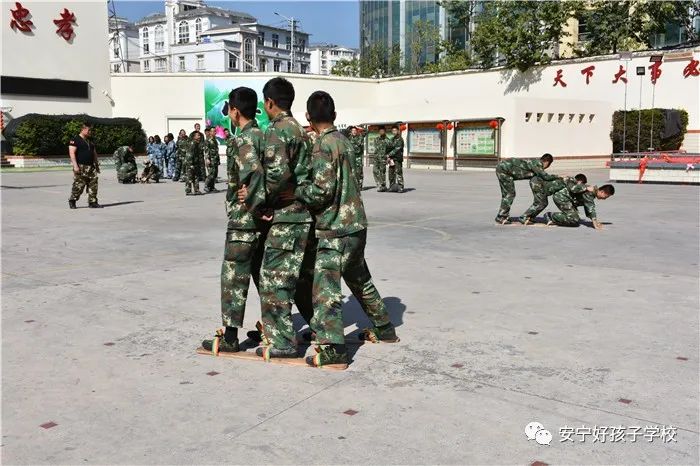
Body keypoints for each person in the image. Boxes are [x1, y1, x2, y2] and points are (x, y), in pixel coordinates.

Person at [296, 91, 399, 369]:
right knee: (359, 278)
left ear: (308, 117)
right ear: (334, 115)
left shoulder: (322, 145)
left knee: (325, 289)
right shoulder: (344, 140)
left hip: (335, 228)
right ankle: (384, 328)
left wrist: (297, 190)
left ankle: (334, 349)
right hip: (355, 224)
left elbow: (321, 191)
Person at [240, 77, 315, 360]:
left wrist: (254, 199)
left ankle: (283, 342)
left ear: (269, 102)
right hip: (301, 214)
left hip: (287, 216)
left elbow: (276, 175)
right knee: (298, 280)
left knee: (274, 280)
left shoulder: (278, 130)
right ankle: (317, 328)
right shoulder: (300, 130)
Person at [201, 87, 268, 354]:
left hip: (244, 220)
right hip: (263, 221)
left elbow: (254, 173)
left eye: (229, 109)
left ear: (235, 111)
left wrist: (252, 200)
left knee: (233, 277)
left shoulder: (243, 140)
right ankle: (275, 329)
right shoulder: (266, 136)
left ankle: (230, 337)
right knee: (263, 277)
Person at [495, 153, 559, 224]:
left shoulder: (535, 162)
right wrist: (558, 176)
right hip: (504, 170)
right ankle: (501, 216)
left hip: (504, 167)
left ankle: (502, 215)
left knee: (508, 194)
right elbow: (545, 176)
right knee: (509, 194)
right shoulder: (537, 164)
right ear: (547, 162)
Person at [519, 174, 588, 224]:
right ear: (580, 181)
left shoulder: (570, 180)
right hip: (538, 184)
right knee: (540, 203)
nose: (581, 186)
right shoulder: (571, 180)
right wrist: (586, 188)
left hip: (540, 184)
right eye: (582, 184)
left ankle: (530, 217)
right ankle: (524, 217)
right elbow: (573, 189)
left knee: (543, 203)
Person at [545, 184, 615, 229]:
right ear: (602, 192)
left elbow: (587, 206)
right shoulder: (590, 192)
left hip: (568, 200)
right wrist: (595, 223)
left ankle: (557, 217)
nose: (605, 199)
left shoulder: (592, 191)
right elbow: (590, 207)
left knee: (574, 220)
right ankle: (550, 216)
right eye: (606, 196)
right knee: (574, 219)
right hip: (562, 197)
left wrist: (595, 221)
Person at [68, 122, 102, 209]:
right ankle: (72, 200)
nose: (90, 132)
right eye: (89, 130)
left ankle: (92, 202)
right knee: (79, 185)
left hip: (91, 167)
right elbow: (72, 153)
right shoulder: (75, 140)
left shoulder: (90, 141)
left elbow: (94, 153)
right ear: (83, 129)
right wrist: (75, 166)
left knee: (93, 184)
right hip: (81, 166)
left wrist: (97, 165)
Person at [387, 124, 405, 193]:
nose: (394, 132)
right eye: (393, 131)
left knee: (398, 173)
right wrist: (388, 156)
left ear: (398, 131)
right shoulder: (392, 139)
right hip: (392, 159)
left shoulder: (400, 139)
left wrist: (389, 154)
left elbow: (397, 149)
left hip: (397, 159)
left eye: (395, 130)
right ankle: (392, 187)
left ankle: (401, 187)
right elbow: (388, 148)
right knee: (391, 173)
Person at [184, 131, 203, 195]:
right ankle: (188, 191)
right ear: (194, 137)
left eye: (199, 135)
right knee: (189, 177)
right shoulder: (192, 144)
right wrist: (190, 164)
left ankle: (196, 190)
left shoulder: (197, 143)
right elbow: (189, 154)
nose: (199, 137)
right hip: (191, 163)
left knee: (196, 177)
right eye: (198, 135)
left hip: (196, 163)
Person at [373, 126, 389, 192]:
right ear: (379, 132)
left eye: (382, 131)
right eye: (380, 131)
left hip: (383, 158)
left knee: (382, 172)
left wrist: (388, 158)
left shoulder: (387, 140)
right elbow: (376, 149)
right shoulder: (376, 139)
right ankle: (379, 184)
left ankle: (383, 186)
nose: (381, 132)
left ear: (385, 131)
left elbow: (389, 150)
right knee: (375, 171)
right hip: (376, 158)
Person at [204, 126, 220, 193]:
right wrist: (207, 159)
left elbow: (216, 150)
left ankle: (212, 187)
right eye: (212, 131)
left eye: (215, 131)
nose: (214, 132)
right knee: (211, 174)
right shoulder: (208, 140)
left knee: (215, 174)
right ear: (210, 132)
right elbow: (206, 150)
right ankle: (206, 186)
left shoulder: (215, 140)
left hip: (215, 159)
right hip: (211, 159)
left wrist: (218, 159)